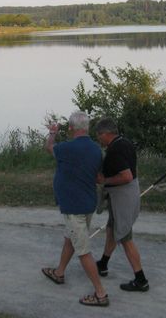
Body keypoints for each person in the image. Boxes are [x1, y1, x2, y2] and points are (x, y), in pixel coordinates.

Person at [41, 111, 109, 307]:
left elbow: (49, 147)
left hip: (74, 207)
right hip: (88, 204)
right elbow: (98, 177)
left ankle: (100, 294)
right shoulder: (97, 150)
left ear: (71, 128)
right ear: (86, 128)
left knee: (83, 250)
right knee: (70, 238)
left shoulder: (66, 148)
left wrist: (53, 132)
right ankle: (59, 272)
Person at [94, 117, 149, 293]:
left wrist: (105, 180)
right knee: (112, 230)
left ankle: (141, 280)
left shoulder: (115, 150)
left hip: (123, 198)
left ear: (105, 133)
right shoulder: (124, 142)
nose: (98, 139)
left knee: (125, 237)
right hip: (126, 195)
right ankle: (103, 264)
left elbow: (126, 176)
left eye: (98, 135)